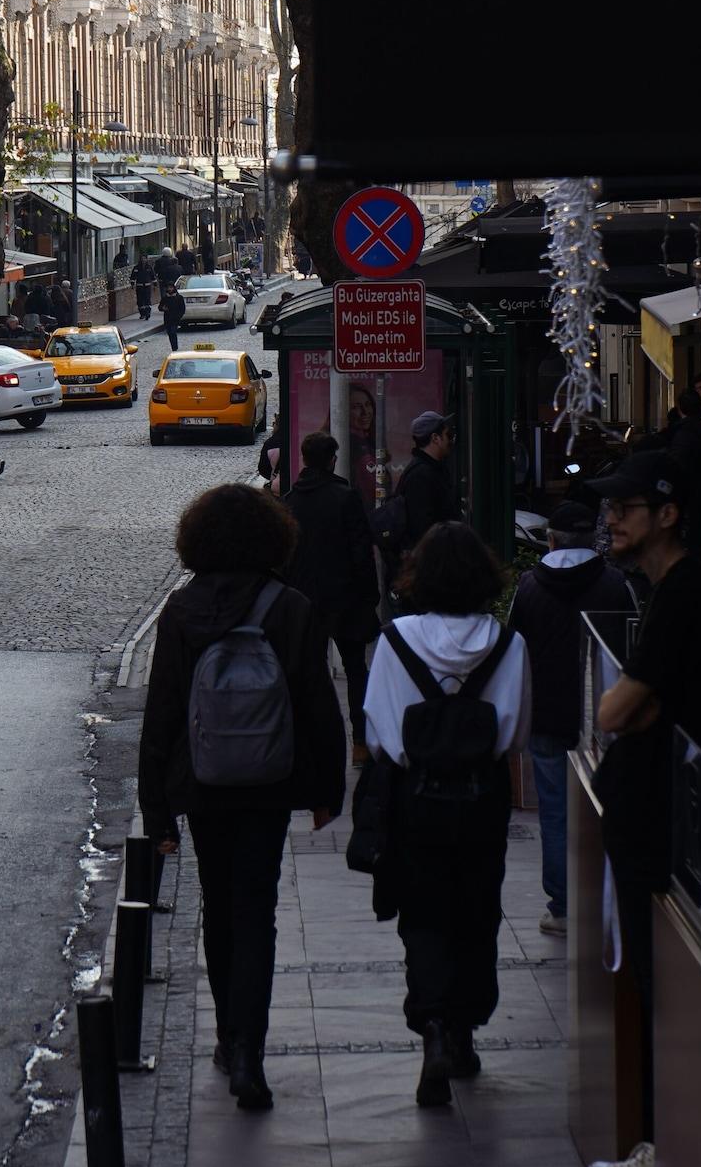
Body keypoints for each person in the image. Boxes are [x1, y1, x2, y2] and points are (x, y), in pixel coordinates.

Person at [138, 484, 347, 1111]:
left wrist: (158, 811)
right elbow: (317, 704)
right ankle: (250, 1055)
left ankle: (229, 1035)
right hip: (269, 782)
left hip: (202, 783)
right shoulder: (289, 607)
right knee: (257, 911)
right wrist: (327, 789)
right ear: (270, 538)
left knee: (218, 906)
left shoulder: (181, 610)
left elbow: (163, 712)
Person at [588, 450, 701, 1167]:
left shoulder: (683, 595)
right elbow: (633, 706)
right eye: (608, 507)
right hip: (661, 816)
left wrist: (629, 707)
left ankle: (667, 1156)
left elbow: (617, 710)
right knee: (655, 984)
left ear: (668, 514)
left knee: (667, 989)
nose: (610, 519)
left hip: (673, 821)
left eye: (625, 508)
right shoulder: (667, 591)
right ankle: (661, 1148)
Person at [362, 522, 531, 1108]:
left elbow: (380, 734)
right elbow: (515, 732)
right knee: (478, 908)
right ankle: (463, 1030)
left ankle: (431, 1023)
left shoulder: (395, 641)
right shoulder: (508, 644)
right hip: (482, 794)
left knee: (425, 912)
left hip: (417, 795)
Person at [506, 501, 647, 937]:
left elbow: (513, 652)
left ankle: (564, 906)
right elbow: (632, 651)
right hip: (605, 717)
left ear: (550, 541)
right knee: (609, 807)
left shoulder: (529, 587)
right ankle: (607, 899)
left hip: (547, 717)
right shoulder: (616, 585)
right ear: (593, 540)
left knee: (554, 811)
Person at [282, 432, 381, 767]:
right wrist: (370, 596)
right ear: (331, 459)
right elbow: (361, 553)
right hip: (345, 598)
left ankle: (312, 746)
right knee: (356, 671)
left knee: (309, 674)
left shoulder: (291, 501)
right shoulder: (345, 497)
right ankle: (361, 743)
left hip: (305, 601)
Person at [396, 411, 463, 554]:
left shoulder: (431, 469)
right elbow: (422, 527)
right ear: (435, 438)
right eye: (448, 435)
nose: (451, 440)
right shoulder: (421, 475)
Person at [159, 282, 186, 353]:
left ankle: (175, 348)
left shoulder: (179, 297)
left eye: (171, 287)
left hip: (175, 319)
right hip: (167, 319)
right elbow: (160, 307)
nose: (169, 289)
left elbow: (182, 309)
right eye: (168, 288)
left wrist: (178, 317)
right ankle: (173, 347)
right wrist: (163, 308)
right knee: (170, 333)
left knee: (173, 332)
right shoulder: (165, 298)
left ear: (174, 288)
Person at [131, 252, 158, 323]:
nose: (143, 260)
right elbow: (133, 276)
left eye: (144, 258)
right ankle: (142, 313)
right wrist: (132, 283)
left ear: (146, 259)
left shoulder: (149, 267)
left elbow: (153, 276)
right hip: (139, 286)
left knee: (147, 300)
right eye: (142, 258)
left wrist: (155, 285)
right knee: (140, 300)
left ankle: (147, 313)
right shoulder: (136, 268)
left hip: (147, 286)